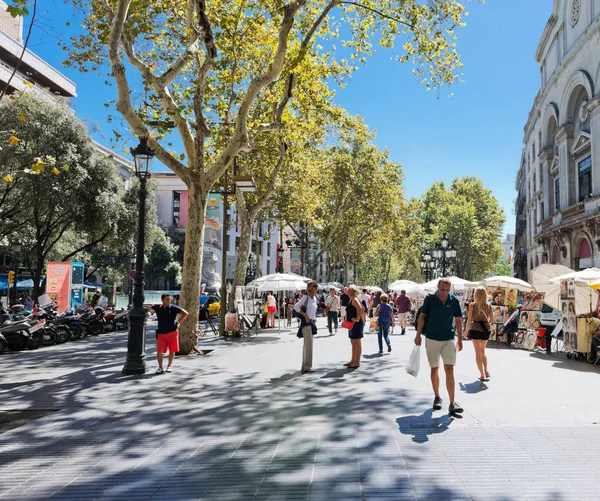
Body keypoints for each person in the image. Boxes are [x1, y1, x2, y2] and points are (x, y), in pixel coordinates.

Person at [415, 278, 464, 415]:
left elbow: (458, 321)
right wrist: (418, 335)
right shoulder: (429, 299)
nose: (444, 293)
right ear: (438, 287)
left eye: (447, 290)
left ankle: (452, 403)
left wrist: (460, 339)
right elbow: (422, 317)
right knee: (434, 368)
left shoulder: (454, 301)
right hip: (431, 338)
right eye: (442, 290)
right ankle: (437, 396)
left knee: (449, 368)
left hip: (448, 339)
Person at [150, 293, 189, 374]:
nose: (169, 301)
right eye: (167, 299)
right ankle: (160, 367)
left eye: (170, 299)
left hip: (172, 332)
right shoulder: (158, 308)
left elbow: (185, 313)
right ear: (162, 300)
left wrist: (178, 322)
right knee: (159, 351)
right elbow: (149, 308)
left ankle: (169, 366)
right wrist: (151, 310)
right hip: (161, 333)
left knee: (172, 350)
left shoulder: (173, 308)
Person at [465, 286, 493, 382]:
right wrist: (485, 323)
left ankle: (482, 374)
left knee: (477, 352)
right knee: (482, 351)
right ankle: (486, 369)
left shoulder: (472, 305)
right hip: (485, 331)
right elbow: (491, 320)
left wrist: (465, 333)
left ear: (475, 295)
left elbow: (469, 320)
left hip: (475, 329)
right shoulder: (489, 305)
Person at [294, 281, 319, 374]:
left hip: (312, 323)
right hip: (306, 323)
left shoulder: (314, 298)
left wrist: (314, 317)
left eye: (317, 286)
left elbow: (313, 310)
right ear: (310, 288)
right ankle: (307, 366)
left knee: (308, 345)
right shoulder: (306, 297)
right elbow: (296, 307)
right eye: (314, 286)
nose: (316, 288)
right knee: (308, 345)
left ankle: (305, 366)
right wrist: (305, 315)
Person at [344, 285, 364, 368]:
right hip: (351, 324)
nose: (348, 289)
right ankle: (353, 360)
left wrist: (358, 318)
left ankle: (357, 362)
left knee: (357, 342)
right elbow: (362, 308)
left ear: (353, 291)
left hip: (356, 324)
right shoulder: (351, 299)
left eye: (350, 289)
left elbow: (360, 308)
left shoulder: (355, 299)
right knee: (353, 342)